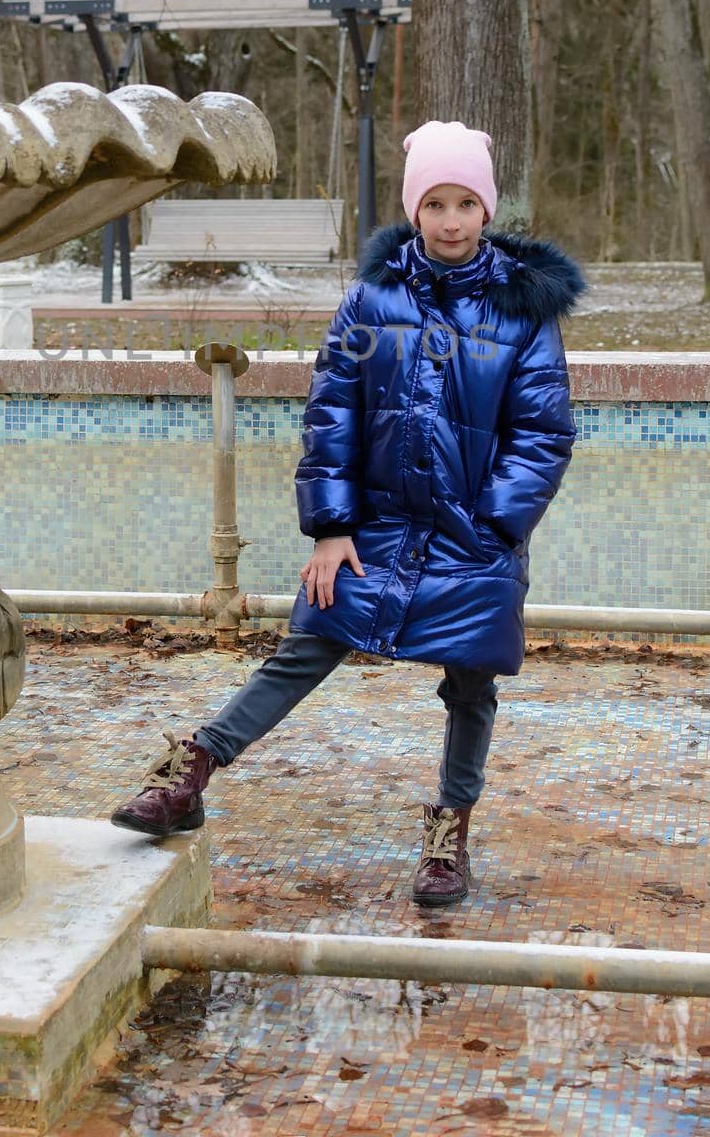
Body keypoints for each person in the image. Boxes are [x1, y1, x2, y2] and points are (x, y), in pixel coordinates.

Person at [111, 121, 585, 906]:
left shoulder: (523, 309)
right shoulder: (370, 299)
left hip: (473, 537)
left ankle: (447, 836)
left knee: (469, 685)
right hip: (376, 530)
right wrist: (331, 528)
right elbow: (332, 412)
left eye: (465, 202)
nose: (450, 220)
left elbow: (543, 431)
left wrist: (498, 525)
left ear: (486, 209)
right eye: (434, 202)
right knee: (309, 643)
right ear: (414, 208)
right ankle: (191, 771)